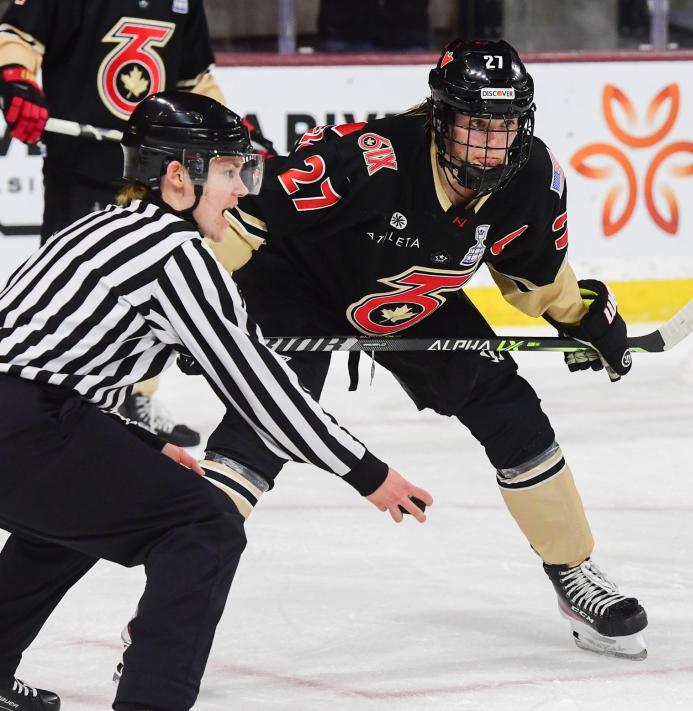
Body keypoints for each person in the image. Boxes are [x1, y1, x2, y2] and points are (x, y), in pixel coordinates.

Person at [205, 38, 648, 659]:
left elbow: (533, 279)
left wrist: (585, 316)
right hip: (296, 286)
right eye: (474, 124)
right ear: (440, 119)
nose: (489, 143)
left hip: (407, 296)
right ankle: (173, 605)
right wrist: (182, 305)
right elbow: (240, 221)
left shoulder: (529, 179)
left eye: (504, 125)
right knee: (266, 425)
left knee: (510, 407)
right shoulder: (367, 157)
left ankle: (573, 571)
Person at [0, 91, 430, 711]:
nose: (242, 190)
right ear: (179, 176)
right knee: (205, 526)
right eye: (229, 171)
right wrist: (367, 472)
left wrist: (142, 445)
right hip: (31, 429)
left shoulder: (99, 227)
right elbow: (262, 389)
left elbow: (63, 367)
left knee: (64, 527)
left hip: (20, 427)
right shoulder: (176, 257)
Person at [0, 0, 237, 447]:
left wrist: (222, 132)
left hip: (157, 175)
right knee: (71, 295)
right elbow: (18, 37)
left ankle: (136, 396)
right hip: (80, 169)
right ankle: (60, 399)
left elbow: (192, 79)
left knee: (154, 290)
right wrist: (20, 85)